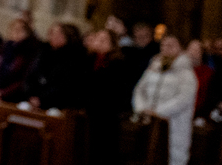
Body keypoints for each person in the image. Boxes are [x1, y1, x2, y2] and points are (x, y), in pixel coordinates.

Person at [132, 35, 197, 165]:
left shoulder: (186, 73)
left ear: (180, 48)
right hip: (150, 120)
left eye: (171, 45)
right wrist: (142, 107)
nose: (166, 48)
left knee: (171, 157)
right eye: (163, 45)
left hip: (172, 123)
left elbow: (184, 98)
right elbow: (140, 89)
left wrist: (159, 111)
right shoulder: (154, 67)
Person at [84, 28, 130, 165]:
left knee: (105, 150)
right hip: (91, 111)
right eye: (98, 39)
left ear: (112, 44)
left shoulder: (118, 63)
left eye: (104, 40)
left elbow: (115, 89)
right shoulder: (89, 59)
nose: (99, 43)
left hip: (107, 113)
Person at [25, 22, 87, 110]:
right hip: (33, 99)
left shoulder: (74, 58)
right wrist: (31, 95)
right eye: (51, 33)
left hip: (58, 104)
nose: (53, 36)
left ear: (67, 36)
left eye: (58, 34)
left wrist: (42, 99)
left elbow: (65, 85)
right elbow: (31, 75)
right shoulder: (43, 51)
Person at [0, 17, 37, 102]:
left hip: (13, 97)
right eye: (14, 29)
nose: (16, 32)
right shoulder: (2, 49)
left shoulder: (28, 53)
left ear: (27, 34)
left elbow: (22, 79)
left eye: (20, 30)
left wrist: (2, 93)